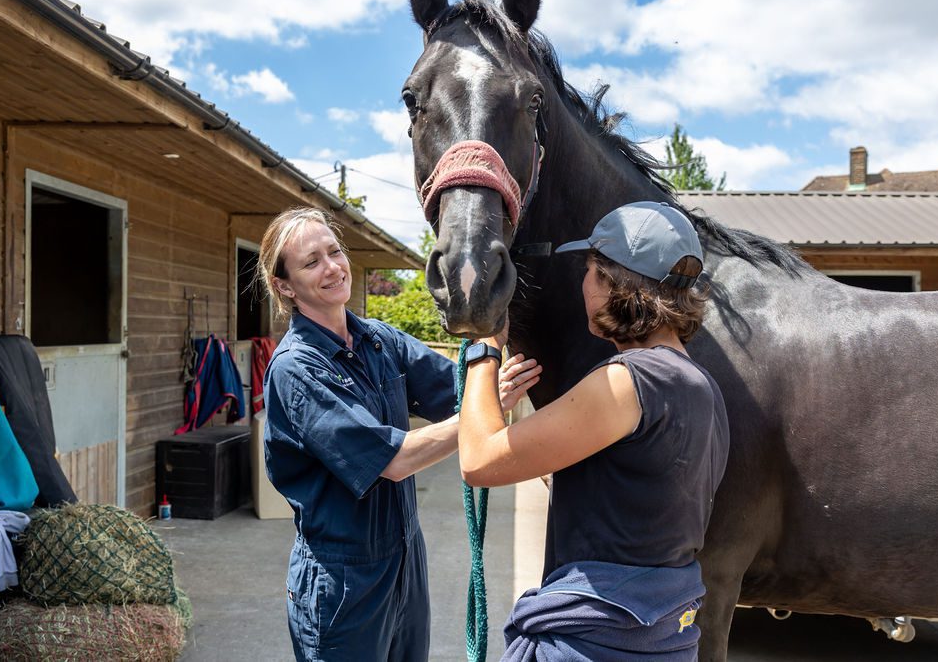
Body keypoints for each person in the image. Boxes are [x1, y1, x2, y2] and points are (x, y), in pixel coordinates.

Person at [257, 206, 541, 661]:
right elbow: (394, 460)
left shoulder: (379, 341)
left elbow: (461, 390)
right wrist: (482, 408)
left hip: (406, 559)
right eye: (312, 262)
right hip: (343, 579)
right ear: (285, 286)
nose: (332, 267)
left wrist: (492, 348)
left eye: (334, 252)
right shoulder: (298, 369)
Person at [457, 201, 730, 660]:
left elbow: (478, 460)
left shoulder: (626, 380)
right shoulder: (698, 384)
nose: (582, 284)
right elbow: (642, 496)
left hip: (594, 640)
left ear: (615, 284)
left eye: (589, 270)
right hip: (658, 634)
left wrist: (483, 351)